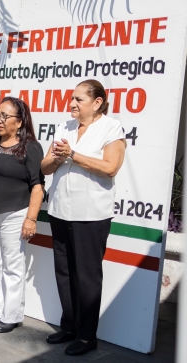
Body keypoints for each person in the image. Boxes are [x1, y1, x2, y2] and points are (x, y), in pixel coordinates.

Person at [41, 79, 126, 356]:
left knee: (87, 276)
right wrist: (57, 158)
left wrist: (73, 155)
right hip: (59, 209)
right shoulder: (64, 126)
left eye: (79, 99)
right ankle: (70, 326)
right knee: (64, 273)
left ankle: (88, 336)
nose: (72, 103)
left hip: (90, 214)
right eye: (72, 98)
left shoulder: (111, 127)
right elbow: (45, 166)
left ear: (97, 102)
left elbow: (110, 167)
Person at [0, 97, 45, 333]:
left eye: (5, 116)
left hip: (16, 213)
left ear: (20, 120)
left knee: (12, 265)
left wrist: (31, 219)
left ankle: (12, 314)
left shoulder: (30, 148)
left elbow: (38, 186)